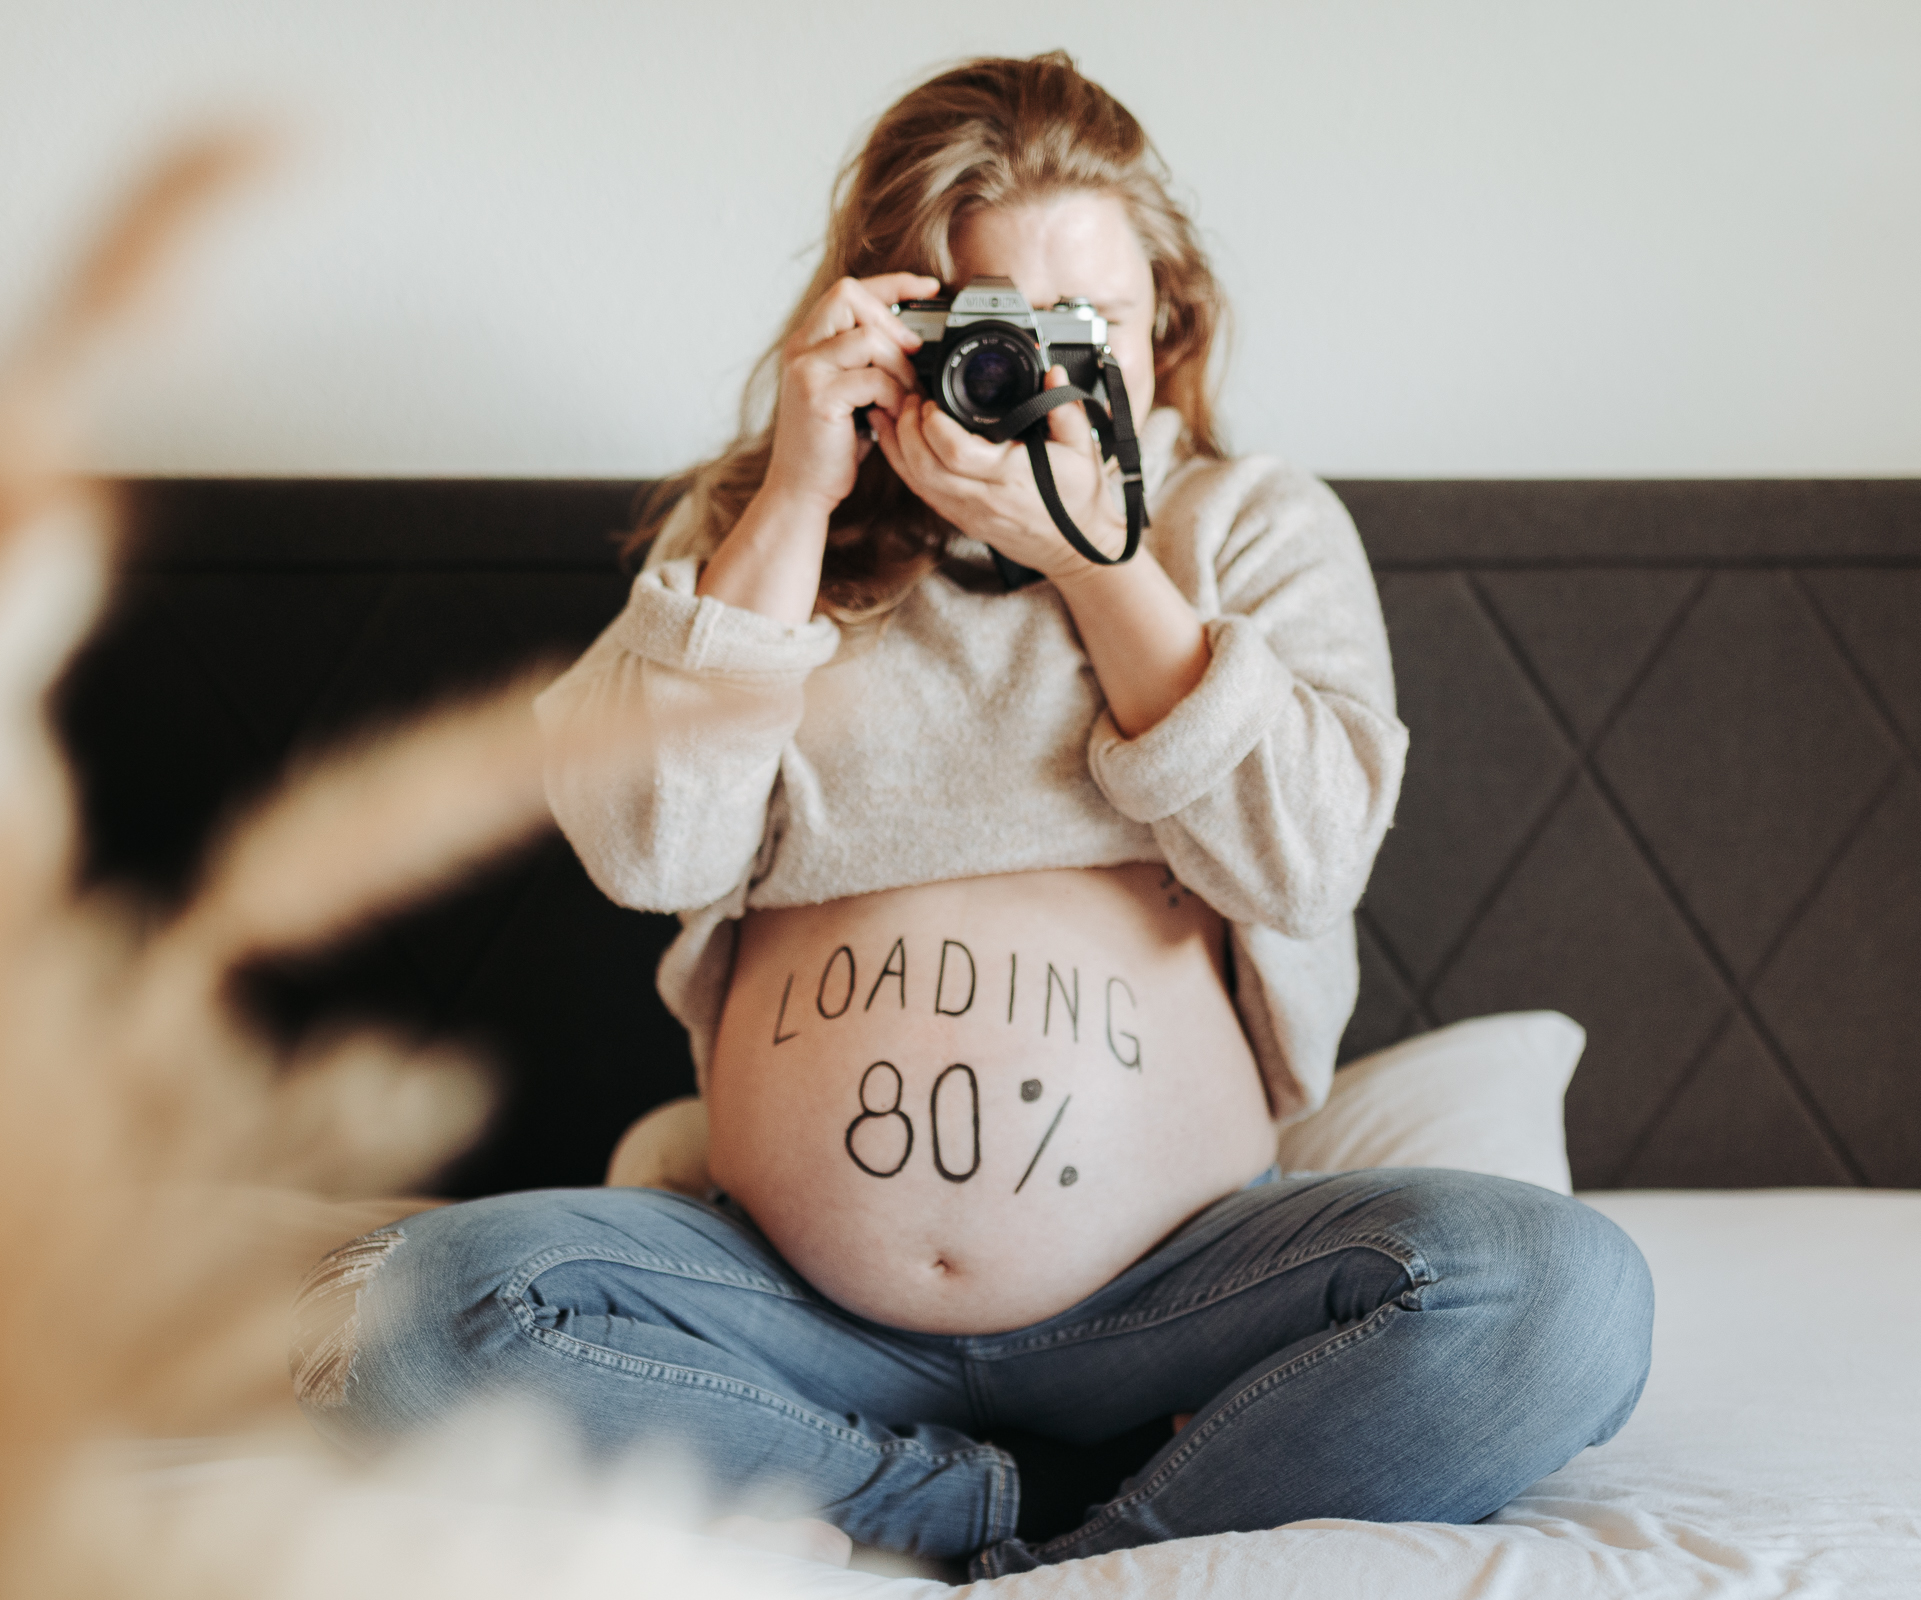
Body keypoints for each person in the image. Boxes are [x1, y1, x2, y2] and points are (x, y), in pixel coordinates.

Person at [293, 52, 1653, 1578]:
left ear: (1167, 333)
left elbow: (1308, 857)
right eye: (995, 327)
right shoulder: (757, 541)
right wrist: (797, 499)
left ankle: (1126, 1527)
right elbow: (647, 849)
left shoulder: (1250, 527)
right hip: (794, 1310)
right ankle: (966, 1514)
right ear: (888, 327)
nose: (1048, 375)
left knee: (1563, 1293)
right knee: (393, 1313)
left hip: (1173, 1299)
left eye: (1099, 329)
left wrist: (1094, 560)